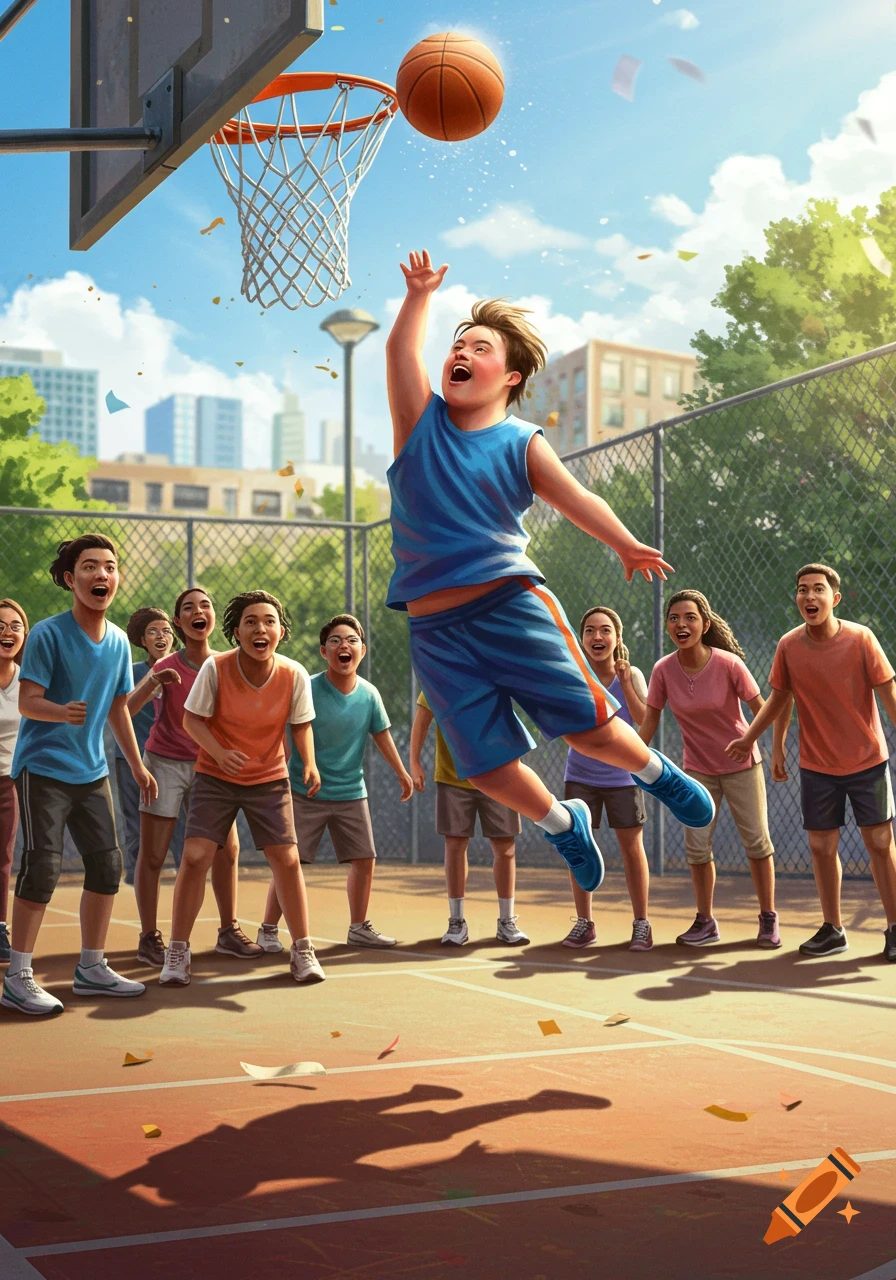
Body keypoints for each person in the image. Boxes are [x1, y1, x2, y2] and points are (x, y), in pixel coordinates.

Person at [384, 249, 714, 896]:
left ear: (508, 377)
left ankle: (656, 773)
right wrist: (419, 297)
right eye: (459, 342)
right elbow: (400, 355)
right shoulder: (417, 427)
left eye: (480, 346)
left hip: (510, 606)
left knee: (587, 728)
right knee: (484, 765)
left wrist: (624, 543)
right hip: (435, 630)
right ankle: (564, 823)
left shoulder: (521, 443)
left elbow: (577, 499)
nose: (464, 351)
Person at [1, 534, 157, 1017]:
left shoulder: (114, 642)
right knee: (42, 866)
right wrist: (60, 711)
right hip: (42, 768)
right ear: (71, 579)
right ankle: (17, 977)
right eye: (90, 566)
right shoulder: (47, 633)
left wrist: (136, 763)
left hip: (92, 772)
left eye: (110, 566)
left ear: (117, 579)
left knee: (108, 866)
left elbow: (117, 709)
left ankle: (92, 968)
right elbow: (28, 702)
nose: (101, 574)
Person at [726, 564, 896, 961]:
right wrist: (768, 743)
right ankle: (833, 929)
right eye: (802, 590)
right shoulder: (789, 645)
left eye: (818, 589)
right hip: (818, 765)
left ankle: (894, 926)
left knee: (880, 842)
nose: (809, 597)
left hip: (867, 761)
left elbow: (888, 693)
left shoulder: (861, 639)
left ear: (834, 599)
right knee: (821, 846)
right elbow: (780, 698)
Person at [159, 590, 325, 987]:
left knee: (286, 858)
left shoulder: (293, 674)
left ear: (280, 632)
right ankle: (177, 952)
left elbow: (301, 724)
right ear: (236, 632)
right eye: (250, 621)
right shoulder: (215, 669)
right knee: (196, 856)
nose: (260, 628)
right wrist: (219, 752)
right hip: (215, 777)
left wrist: (310, 762)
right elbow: (191, 721)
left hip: (269, 777)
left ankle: (303, 950)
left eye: (268, 620)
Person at [259, 614, 412, 952]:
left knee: (364, 859)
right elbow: (288, 728)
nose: (344, 645)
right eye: (335, 641)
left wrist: (401, 773)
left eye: (351, 640)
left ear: (363, 650)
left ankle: (358, 927)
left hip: (351, 793)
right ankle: (268, 929)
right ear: (323, 651)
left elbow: (383, 735)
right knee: (290, 863)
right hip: (304, 792)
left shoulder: (369, 695)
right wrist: (286, 769)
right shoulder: (308, 687)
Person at [641, 590, 781, 948]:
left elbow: (763, 708)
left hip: (741, 766)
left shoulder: (729, 664)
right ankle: (705, 921)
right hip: (696, 772)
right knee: (698, 848)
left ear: (704, 624)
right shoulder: (662, 670)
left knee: (756, 841)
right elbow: (648, 724)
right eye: (674, 618)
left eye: (689, 617)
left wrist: (748, 741)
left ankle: (768, 919)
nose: (681, 624)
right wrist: (627, 756)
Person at [128, 587, 257, 967]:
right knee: (153, 855)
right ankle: (149, 937)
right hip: (164, 763)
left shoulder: (228, 664)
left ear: (213, 618)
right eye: (188, 607)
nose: (198, 611)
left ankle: (228, 931)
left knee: (228, 850)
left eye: (205, 606)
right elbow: (129, 708)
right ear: (179, 622)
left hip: (211, 766)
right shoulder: (165, 665)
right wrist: (154, 682)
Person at [562, 606, 652, 950]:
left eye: (604, 630)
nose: (597, 637)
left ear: (617, 637)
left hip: (624, 778)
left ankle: (641, 923)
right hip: (580, 776)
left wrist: (627, 684)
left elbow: (645, 723)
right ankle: (584, 923)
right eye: (589, 631)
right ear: (582, 637)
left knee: (632, 850)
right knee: (579, 848)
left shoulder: (633, 674)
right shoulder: (573, 673)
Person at [411, 687, 527, 947]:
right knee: (455, 844)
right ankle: (456, 921)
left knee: (505, 846)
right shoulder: (440, 674)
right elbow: (422, 717)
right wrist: (414, 761)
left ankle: (507, 921)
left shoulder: (496, 671)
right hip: (454, 777)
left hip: (498, 773)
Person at [118, 607, 185, 887]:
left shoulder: (186, 670)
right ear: (142, 640)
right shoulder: (132, 672)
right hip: (134, 757)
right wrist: (153, 679)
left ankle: (187, 871)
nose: (161, 636)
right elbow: (121, 709)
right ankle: (137, 877)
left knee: (182, 821)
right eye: (153, 632)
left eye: (167, 631)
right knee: (136, 820)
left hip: (174, 758)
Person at [0, 598, 28, 965]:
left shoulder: (29, 682)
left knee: (4, 858)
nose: (7, 632)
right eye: (0, 625)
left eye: (15, 625)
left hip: (10, 781)